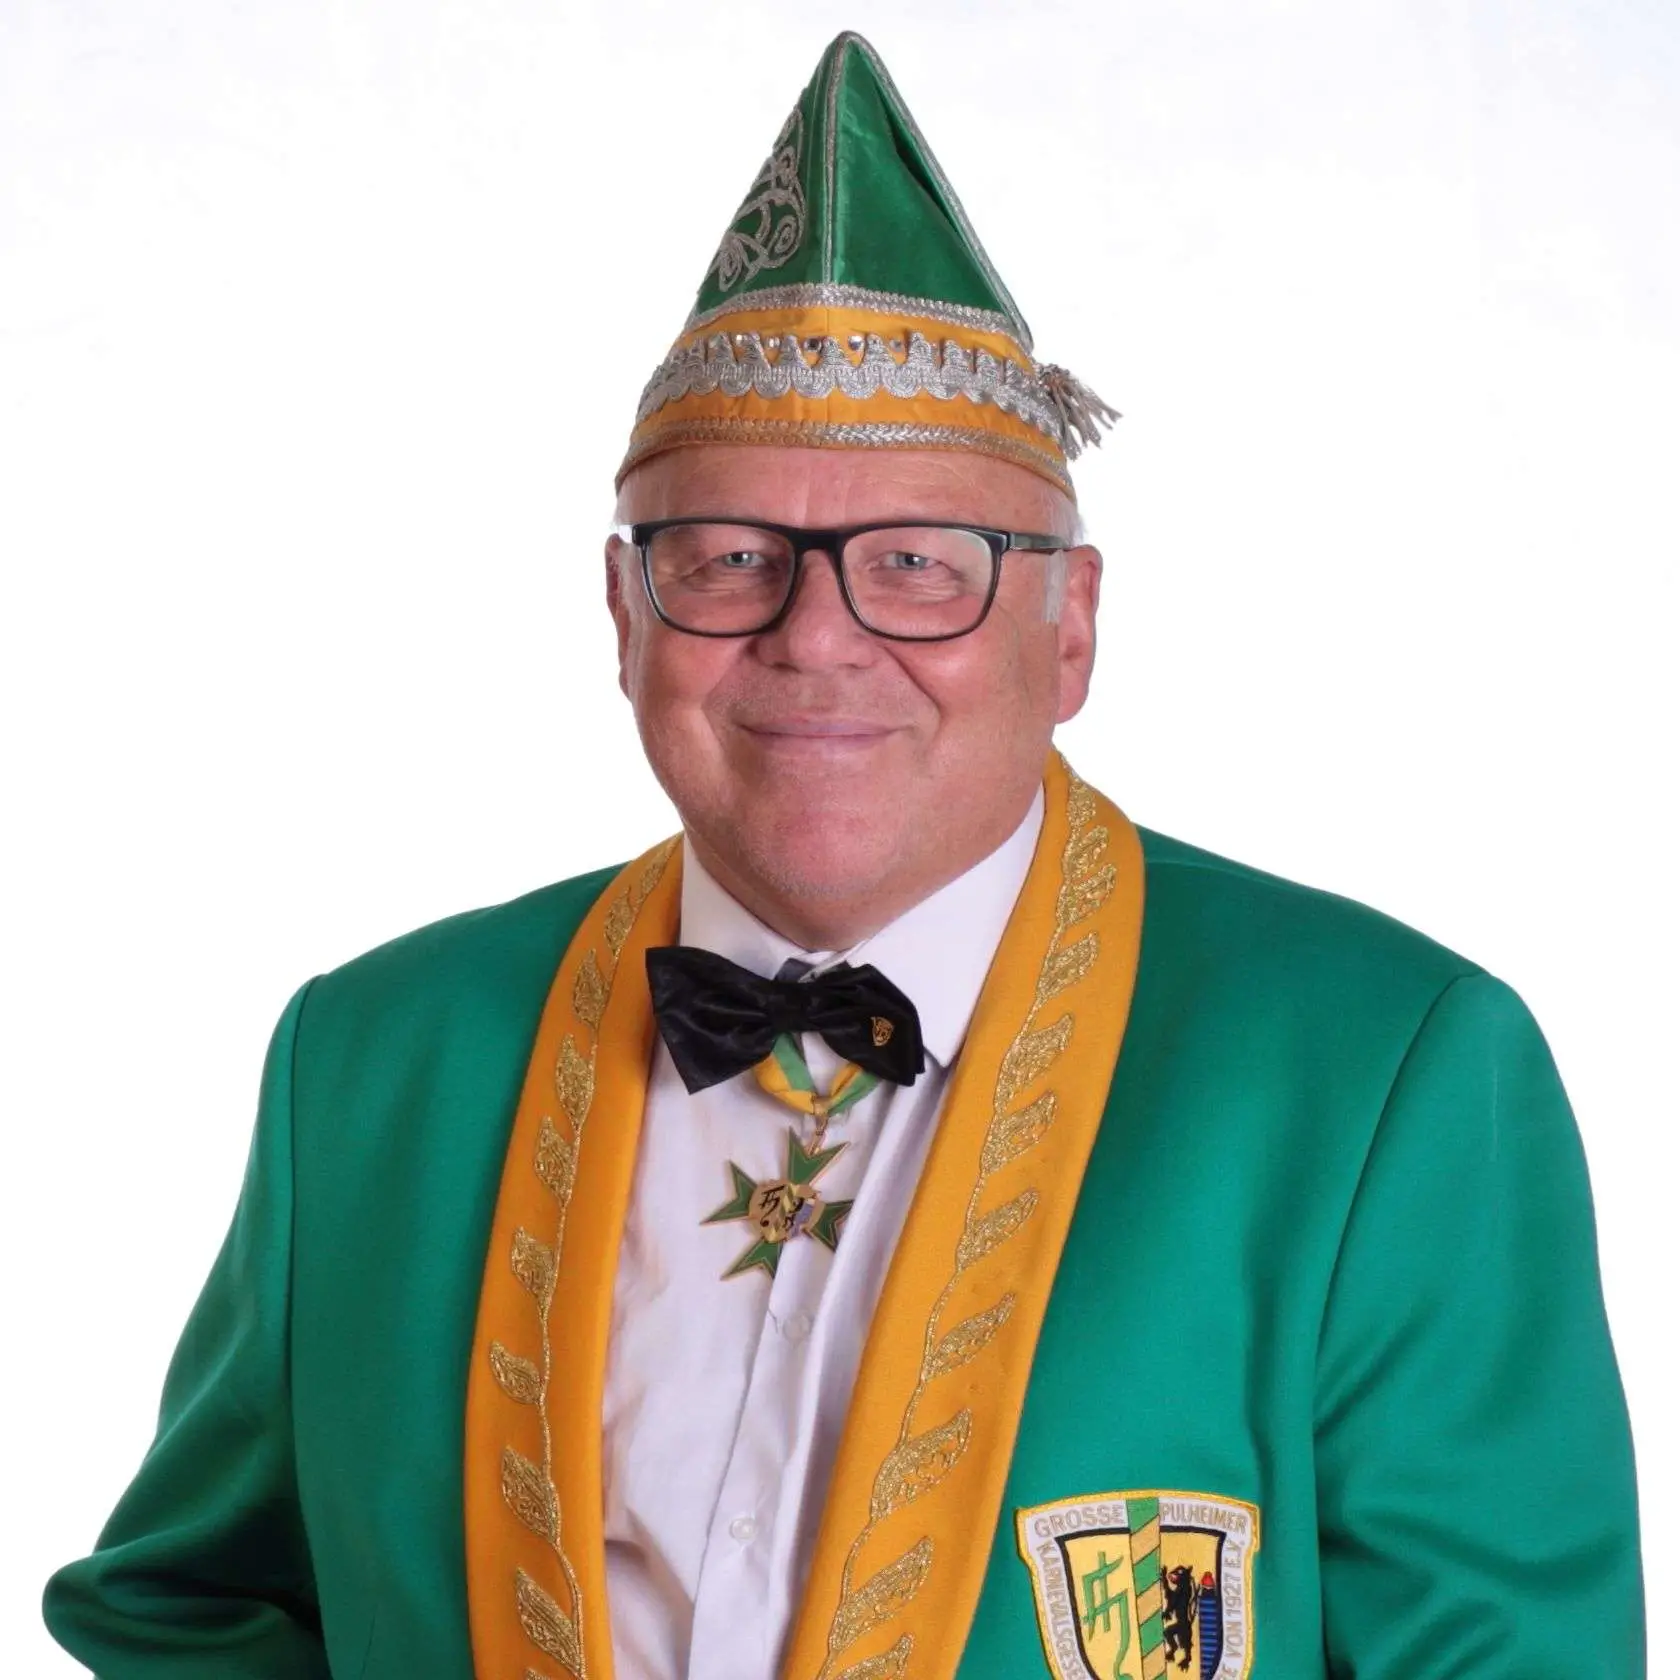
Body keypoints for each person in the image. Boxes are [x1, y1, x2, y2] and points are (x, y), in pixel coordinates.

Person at [43, 30, 1642, 1680]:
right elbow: (188, 1609)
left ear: (1069, 626)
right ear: (624, 616)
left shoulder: (1384, 1076)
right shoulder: (372, 1063)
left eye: (919, 565)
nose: (816, 637)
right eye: (729, 557)